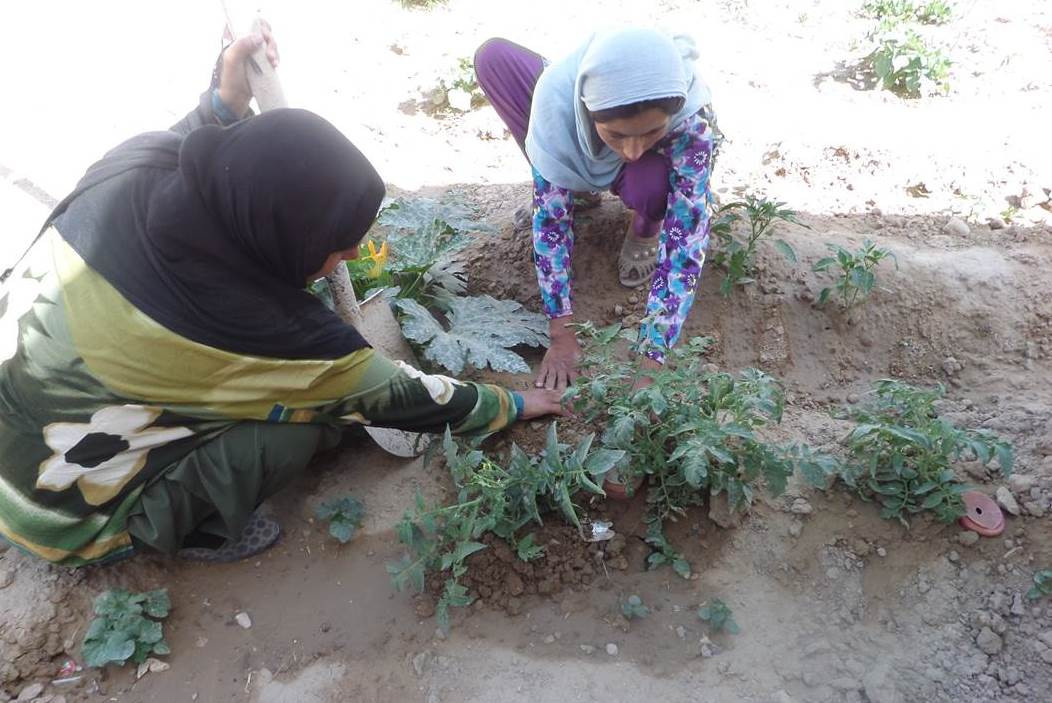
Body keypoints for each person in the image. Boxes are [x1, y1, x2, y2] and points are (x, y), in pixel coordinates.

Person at [0, 30, 562, 567]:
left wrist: (226, 98)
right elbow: (389, 396)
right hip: (62, 508)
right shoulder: (262, 333)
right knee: (307, 428)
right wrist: (510, 405)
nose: (343, 262)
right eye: (336, 250)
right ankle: (175, 525)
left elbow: (192, 146)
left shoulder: (133, 163)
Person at [474, 29, 721, 391]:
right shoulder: (556, 106)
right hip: (571, 137)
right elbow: (551, 224)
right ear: (587, 112)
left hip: (645, 176)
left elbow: (688, 235)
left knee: (651, 183)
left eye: (652, 131)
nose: (634, 150)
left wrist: (653, 354)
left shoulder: (689, 117)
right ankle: (577, 185)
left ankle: (644, 226)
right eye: (617, 135)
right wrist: (561, 331)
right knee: (492, 56)